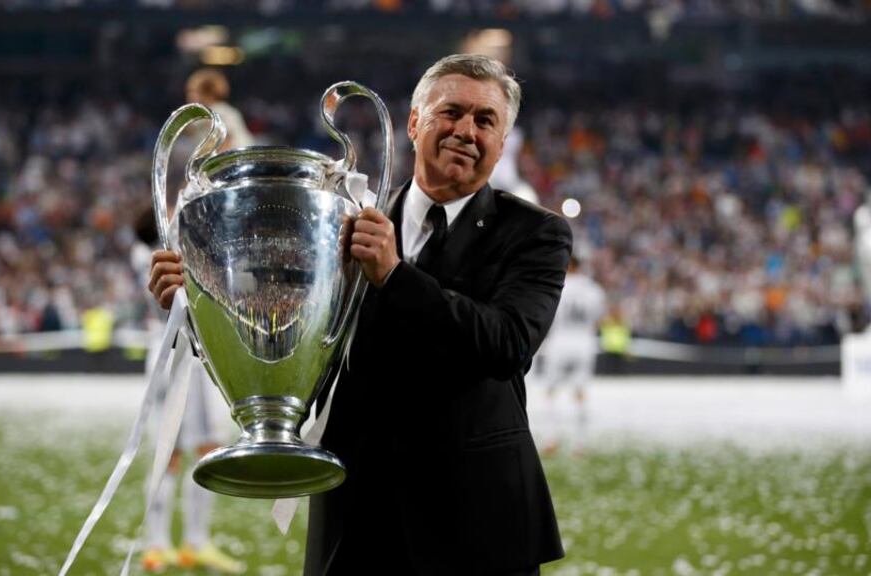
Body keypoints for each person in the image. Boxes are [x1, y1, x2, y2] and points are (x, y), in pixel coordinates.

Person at [149, 53, 572, 575]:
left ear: (502, 143)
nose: (466, 130)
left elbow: (506, 344)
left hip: (474, 520)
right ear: (414, 123)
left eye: (485, 120)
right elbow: (290, 343)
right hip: (356, 516)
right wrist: (196, 307)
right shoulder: (342, 223)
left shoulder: (536, 233)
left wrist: (396, 275)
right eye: (451, 112)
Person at [136, 68, 251, 575]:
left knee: (203, 444)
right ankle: (157, 543)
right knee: (171, 444)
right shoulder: (183, 192)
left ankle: (193, 540)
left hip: (205, 339)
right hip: (172, 339)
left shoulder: (208, 144)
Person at [536, 255, 605, 452]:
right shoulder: (594, 290)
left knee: (550, 391)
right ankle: (580, 444)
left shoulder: (557, 285)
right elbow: (597, 319)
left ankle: (551, 439)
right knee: (580, 392)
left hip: (560, 342)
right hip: (584, 343)